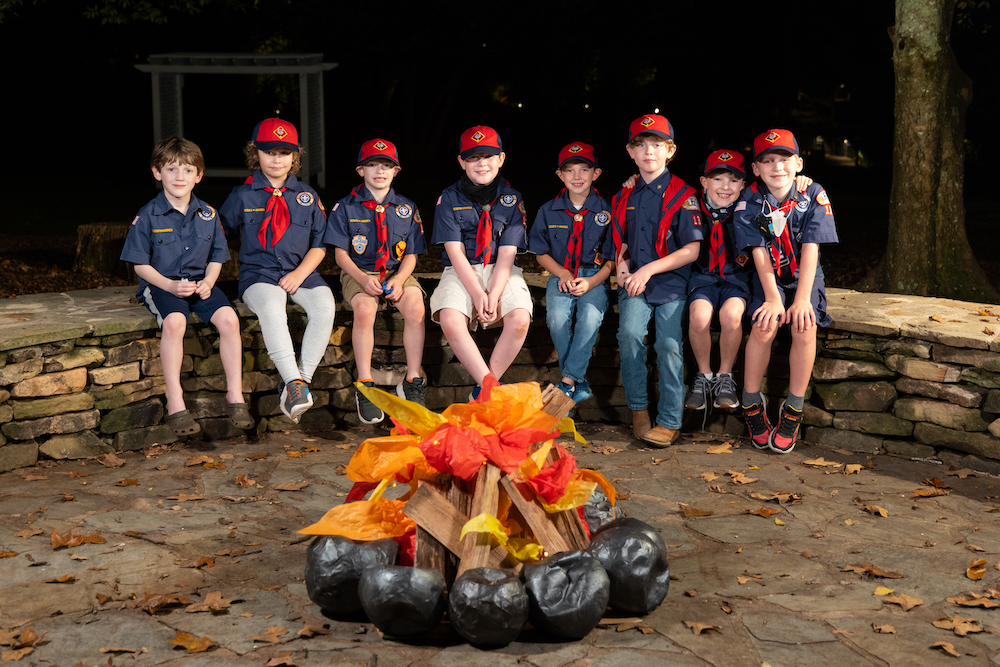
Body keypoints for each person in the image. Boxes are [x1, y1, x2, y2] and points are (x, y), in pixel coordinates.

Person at [120, 136, 254, 436]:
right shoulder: (147, 216)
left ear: (199, 175)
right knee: (176, 322)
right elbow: (140, 265)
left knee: (230, 320)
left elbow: (218, 257)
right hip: (162, 286)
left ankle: (235, 396)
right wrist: (168, 284)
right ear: (157, 173)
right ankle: (175, 402)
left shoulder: (208, 214)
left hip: (199, 284)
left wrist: (209, 282)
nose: (179, 176)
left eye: (188, 170)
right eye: (171, 169)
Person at [219, 118, 336, 424]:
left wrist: (299, 274)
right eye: (269, 151)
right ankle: (294, 382)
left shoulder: (307, 196)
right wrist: (249, 253)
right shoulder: (242, 195)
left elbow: (320, 243)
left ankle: (299, 384)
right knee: (273, 309)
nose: (276, 159)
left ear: (294, 157)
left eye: (284, 153)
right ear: (255, 153)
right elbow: (222, 233)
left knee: (325, 307)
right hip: (259, 274)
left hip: (303, 272)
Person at [734, 129, 839, 453]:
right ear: (756, 168)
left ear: (798, 164)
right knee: (764, 325)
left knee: (804, 325)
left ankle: (793, 407)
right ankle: (751, 403)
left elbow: (811, 249)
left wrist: (803, 298)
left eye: (784, 160)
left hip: (804, 276)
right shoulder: (749, 201)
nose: (776, 167)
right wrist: (773, 297)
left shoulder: (814, 194)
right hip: (770, 278)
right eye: (768, 161)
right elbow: (758, 253)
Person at [609, 114, 702, 447]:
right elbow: (620, 240)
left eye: (658, 145)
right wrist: (622, 268)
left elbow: (691, 250)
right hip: (634, 281)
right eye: (641, 144)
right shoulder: (624, 195)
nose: (649, 151)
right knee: (631, 334)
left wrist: (647, 270)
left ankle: (670, 419)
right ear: (631, 152)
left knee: (668, 345)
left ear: (670, 151)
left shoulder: (684, 195)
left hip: (672, 283)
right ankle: (638, 409)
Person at [327, 138, 427, 424]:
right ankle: (365, 383)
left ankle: (412, 380)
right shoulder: (345, 207)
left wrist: (399, 279)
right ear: (361, 170)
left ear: (396, 171)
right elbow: (341, 255)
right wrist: (361, 277)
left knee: (416, 308)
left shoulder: (407, 208)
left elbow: (412, 254)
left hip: (397, 272)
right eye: (372, 164)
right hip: (358, 272)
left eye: (387, 165)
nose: (380, 171)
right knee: (365, 310)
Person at [429, 125, 532, 400]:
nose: (481, 164)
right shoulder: (448, 198)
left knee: (520, 318)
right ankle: (488, 386)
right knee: (450, 318)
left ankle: (482, 391)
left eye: (488, 156)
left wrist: (494, 294)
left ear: (501, 159)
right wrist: (477, 293)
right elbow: (454, 251)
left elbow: (508, 253)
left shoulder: (513, 198)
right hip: (462, 268)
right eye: (473, 158)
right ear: (461, 162)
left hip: (501, 269)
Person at [528, 141, 613, 403]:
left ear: (595, 174)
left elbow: (612, 259)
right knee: (556, 320)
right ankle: (578, 380)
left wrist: (592, 281)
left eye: (584, 170)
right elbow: (540, 252)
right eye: (570, 170)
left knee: (589, 318)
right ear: (560, 175)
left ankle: (568, 380)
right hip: (560, 273)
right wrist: (562, 273)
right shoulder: (547, 210)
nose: (577, 177)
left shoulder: (607, 211)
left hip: (595, 276)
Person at [683, 150, 751, 412]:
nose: (725, 187)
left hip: (736, 277)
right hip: (704, 276)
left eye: (734, 180)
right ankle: (703, 376)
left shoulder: (751, 204)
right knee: (699, 317)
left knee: (731, 315)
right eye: (718, 179)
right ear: (704, 182)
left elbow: (782, 184)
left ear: (743, 185)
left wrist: (804, 181)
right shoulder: (690, 204)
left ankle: (725, 376)